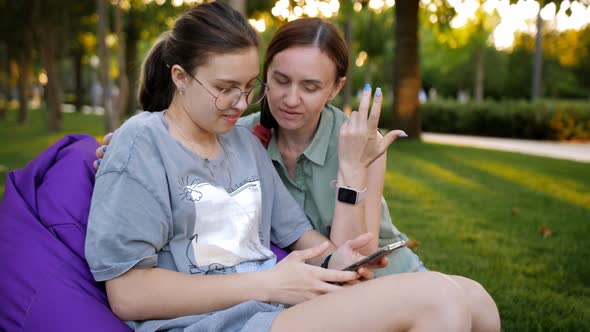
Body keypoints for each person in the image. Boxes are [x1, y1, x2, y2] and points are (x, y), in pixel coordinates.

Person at [86, 2, 500, 331]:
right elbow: (128, 293)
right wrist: (269, 282)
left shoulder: (241, 144)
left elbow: (306, 240)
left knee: (477, 304)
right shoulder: (145, 143)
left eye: (248, 88)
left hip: (276, 302)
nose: (241, 102)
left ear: (336, 88)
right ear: (179, 77)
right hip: (221, 319)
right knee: (439, 299)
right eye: (225, 88)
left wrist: (336, 262)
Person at [96, 17, 425, 276]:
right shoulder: (238, 135)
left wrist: (352, 171)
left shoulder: (359, 141)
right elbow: (177, 135)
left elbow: (358, 256)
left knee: (466, 299)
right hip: (319, 280)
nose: (290, 99)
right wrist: (128, 148)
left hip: (379, 273)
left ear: (335, 88)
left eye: (310, 87)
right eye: (279, 81)